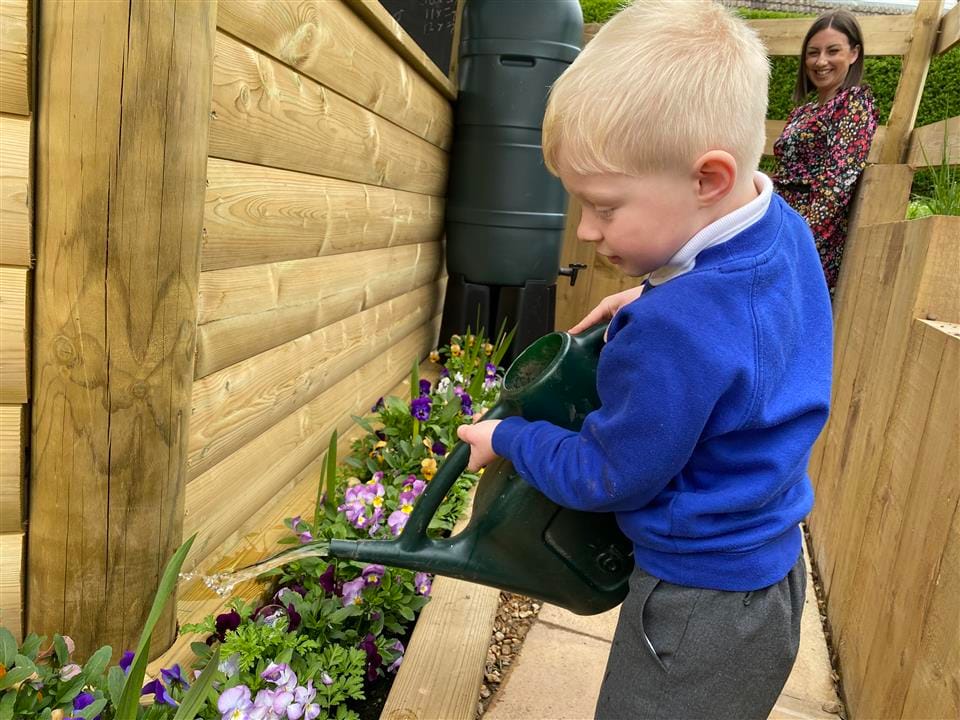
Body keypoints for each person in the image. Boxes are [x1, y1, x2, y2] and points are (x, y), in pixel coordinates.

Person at [456, 1, 834, 718]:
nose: (587, 230)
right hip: (767, 577)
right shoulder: (782, 229)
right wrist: (648, 294)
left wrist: (507, 437)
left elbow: (606, 476)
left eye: (603, 205)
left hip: (694, 610)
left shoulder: (674, 333)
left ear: (707, 180)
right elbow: (738, 321)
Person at [773, 10, 878, 296]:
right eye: (812, 52)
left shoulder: (854, 103)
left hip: (810, 236)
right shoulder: (802, 112)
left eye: (833, 51)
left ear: (854, 53)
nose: (820, 61)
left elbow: (837, 183)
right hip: (778, 219)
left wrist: (797, 240)